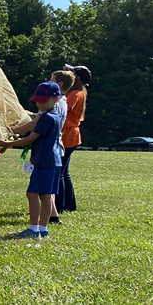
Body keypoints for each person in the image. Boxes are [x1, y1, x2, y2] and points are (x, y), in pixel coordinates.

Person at [0, 81, 63, 239]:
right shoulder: (56, 115)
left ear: (56, 99)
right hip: (54, 161)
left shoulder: (46, 118)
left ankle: (33, 230)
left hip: (44, 162)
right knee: (46, 196)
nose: (40, 103)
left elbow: (30, 139)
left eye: (44, 100)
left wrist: (8, 143)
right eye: (37, 100)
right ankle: (43, 229)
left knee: (32, 194)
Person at [11, 70, 74, 224]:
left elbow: (34, 125)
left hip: (46, 151)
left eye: (51, 79)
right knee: (47, 191)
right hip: (54, 149)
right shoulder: (62, 103)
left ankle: (40, 224)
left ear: (58, 85)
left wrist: (11, 132)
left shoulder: (49, 108)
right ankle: (51, 217)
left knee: (36, 192)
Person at [59, 64, 91, 213]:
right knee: (64, 172)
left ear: (76, 77)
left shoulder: (75, 94)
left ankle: (59, 207)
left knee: (58, 172)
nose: (67, 73)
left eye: (70, 72)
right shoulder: (77, 93)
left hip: (67, 136)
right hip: (71, 135)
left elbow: (64, 110)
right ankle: (69, 206)